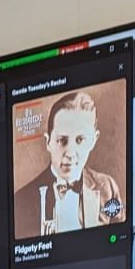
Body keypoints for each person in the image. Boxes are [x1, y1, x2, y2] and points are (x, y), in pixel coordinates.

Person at [14, 90, 124, 238]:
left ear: (93, 140)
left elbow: (119, 239)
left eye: (80, 140)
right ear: (48, 142)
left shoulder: (108, 188)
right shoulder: (22, 201)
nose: (70, 152)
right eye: (62, 140)